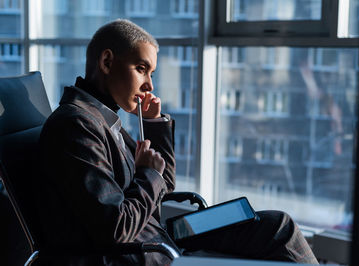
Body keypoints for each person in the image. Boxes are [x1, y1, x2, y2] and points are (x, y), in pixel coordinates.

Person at [38, 19, 318, 265]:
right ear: (107, 62)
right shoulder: (76, 125)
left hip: (156, 237)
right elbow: (115, 228)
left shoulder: (103, 116)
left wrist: (154, 125)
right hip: (140, 252)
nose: (149, 85)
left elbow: (164, 186)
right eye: (141, 68)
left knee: (278, 226)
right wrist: (148, 174)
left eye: (151, 73)